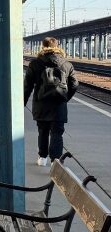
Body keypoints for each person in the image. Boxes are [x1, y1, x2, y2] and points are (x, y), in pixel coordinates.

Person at [24, 37, 78, 167]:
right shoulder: (66, 64)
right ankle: (56, 162)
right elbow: (75, 84)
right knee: (57, 132)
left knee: (42, 131)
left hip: (41, 103)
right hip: (59, 104)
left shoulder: (35, 63)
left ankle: (42, 158)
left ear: (43, 47)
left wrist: (22, 102)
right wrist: (65, 97)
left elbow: (28, 86)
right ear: (57, 46)